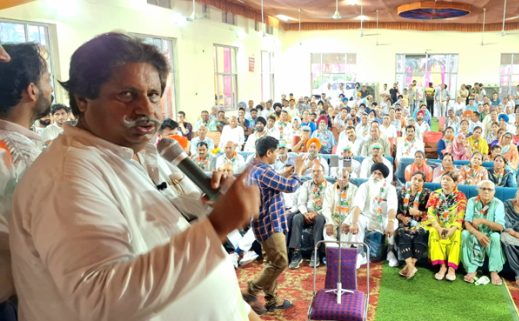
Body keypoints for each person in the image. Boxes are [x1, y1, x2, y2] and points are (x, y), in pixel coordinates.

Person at [9, 33, 261, 321]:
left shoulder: (137, 153)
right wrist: (217, 225)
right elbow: (103, 301)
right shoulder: (67, 177)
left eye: (153, 94)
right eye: (127, 95)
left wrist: (242, 311)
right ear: (82, 100)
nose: (146, 108)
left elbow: (163, 244)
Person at [0, 42, 54, 321]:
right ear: (31, 91)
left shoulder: (29, 149)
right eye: (46, 80)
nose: (50, 89)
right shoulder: (11, 153)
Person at [244, 136, 305, 313]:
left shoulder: (254, 167)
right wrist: (299, 171)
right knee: (280, 262)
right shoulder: (264, 171)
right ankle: (250, 291)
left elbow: (270, 183)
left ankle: (272, 300)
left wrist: (282, 175)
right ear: (269, 152)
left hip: (262, 223)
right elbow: (290, 187)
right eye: (276, 151)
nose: (278, 155)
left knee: (271, 262)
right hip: (270, 223)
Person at [348, 163, 398, 265]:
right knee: (358, 220)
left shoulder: (390, 188)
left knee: (395, 222)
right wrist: (353, 223)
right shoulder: (364, 186)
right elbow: (357, 205)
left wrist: (390, 222)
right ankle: (360, 254)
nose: (376, 176)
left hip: (383, 218)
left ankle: (390, 251)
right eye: (375, 173)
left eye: (380, 174)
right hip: (367, 217)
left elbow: (392, 206)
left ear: (384, 177)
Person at [423, 171, 466, 281]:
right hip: (438, 224)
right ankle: (442, 266)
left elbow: (461, 215)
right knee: (433, 232)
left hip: (453, 225)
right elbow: (430, 214)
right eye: (443, 179)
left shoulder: (460, 196)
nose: (445, 181)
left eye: (448, 179)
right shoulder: (435, 194)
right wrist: (438, 227)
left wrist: (452, 228)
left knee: (456, 234)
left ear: (455, 183)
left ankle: (451, 269)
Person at [461, 180, 506, 285]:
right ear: (478, 190)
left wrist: (483, 221)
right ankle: (471, 269)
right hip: (475, 232)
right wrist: (478, 234)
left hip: (490, 233)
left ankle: (494, 271)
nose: (486, 191)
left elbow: (500, 227)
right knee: (464, 234)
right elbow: (467, 222)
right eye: (483, 189)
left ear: (494, 192)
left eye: (489, 189)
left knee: (495, 237)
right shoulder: (472, 201)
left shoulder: (498, 203)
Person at [288, 164, 327, 269]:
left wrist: (316, 213)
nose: (315, 173)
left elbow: (328, 205)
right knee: (296, 218)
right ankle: (296, 252)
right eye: (313, 171)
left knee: (319, 219)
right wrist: (305, 213)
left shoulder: (329, 186)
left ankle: (316, 251)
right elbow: (301, 202)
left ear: (324, 172)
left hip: (320, 213)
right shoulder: (306, 184)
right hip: (307, 212)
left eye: (318, 171)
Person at [395, 172, 431, 279]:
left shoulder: (428, 194)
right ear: (410, 179)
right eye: (415, 179)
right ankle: (411, 266)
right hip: (405, 222)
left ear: (423, 183)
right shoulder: (401, 192)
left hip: (422, 222)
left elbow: (432, 214)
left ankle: (409, 265)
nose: (416, 182)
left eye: (420, 180)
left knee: (422, 232)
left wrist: (419, 213)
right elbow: (396, 211)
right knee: (401, 232)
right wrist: (402, 218)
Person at [321, 167, 359, 245]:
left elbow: (355, 208)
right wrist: (329, 222)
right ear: (336, 178)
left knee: (344, 247)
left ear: (349, 178)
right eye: (339, 177)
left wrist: (347, 222)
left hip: (347, 221)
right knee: (331, 246)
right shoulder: (329, 189)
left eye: (344, 177)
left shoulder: (355, 189)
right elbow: (326, 208)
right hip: (332, 220)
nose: (342, 179)